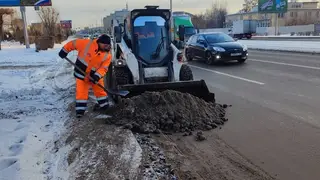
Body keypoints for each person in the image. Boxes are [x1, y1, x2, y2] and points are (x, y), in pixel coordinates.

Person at [58, 34, 112, 118]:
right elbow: (72, 43)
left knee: (100, 91)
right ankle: (80, 112)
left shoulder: (107, 55)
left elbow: (104, 68)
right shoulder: (86, 43)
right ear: (99, 42)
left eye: (108, 45)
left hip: (95, 76)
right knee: (81, 93)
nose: (107, 47)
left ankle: (105, 107)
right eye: (105, 45)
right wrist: (64, 50)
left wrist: (97, 76)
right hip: (81, 74)